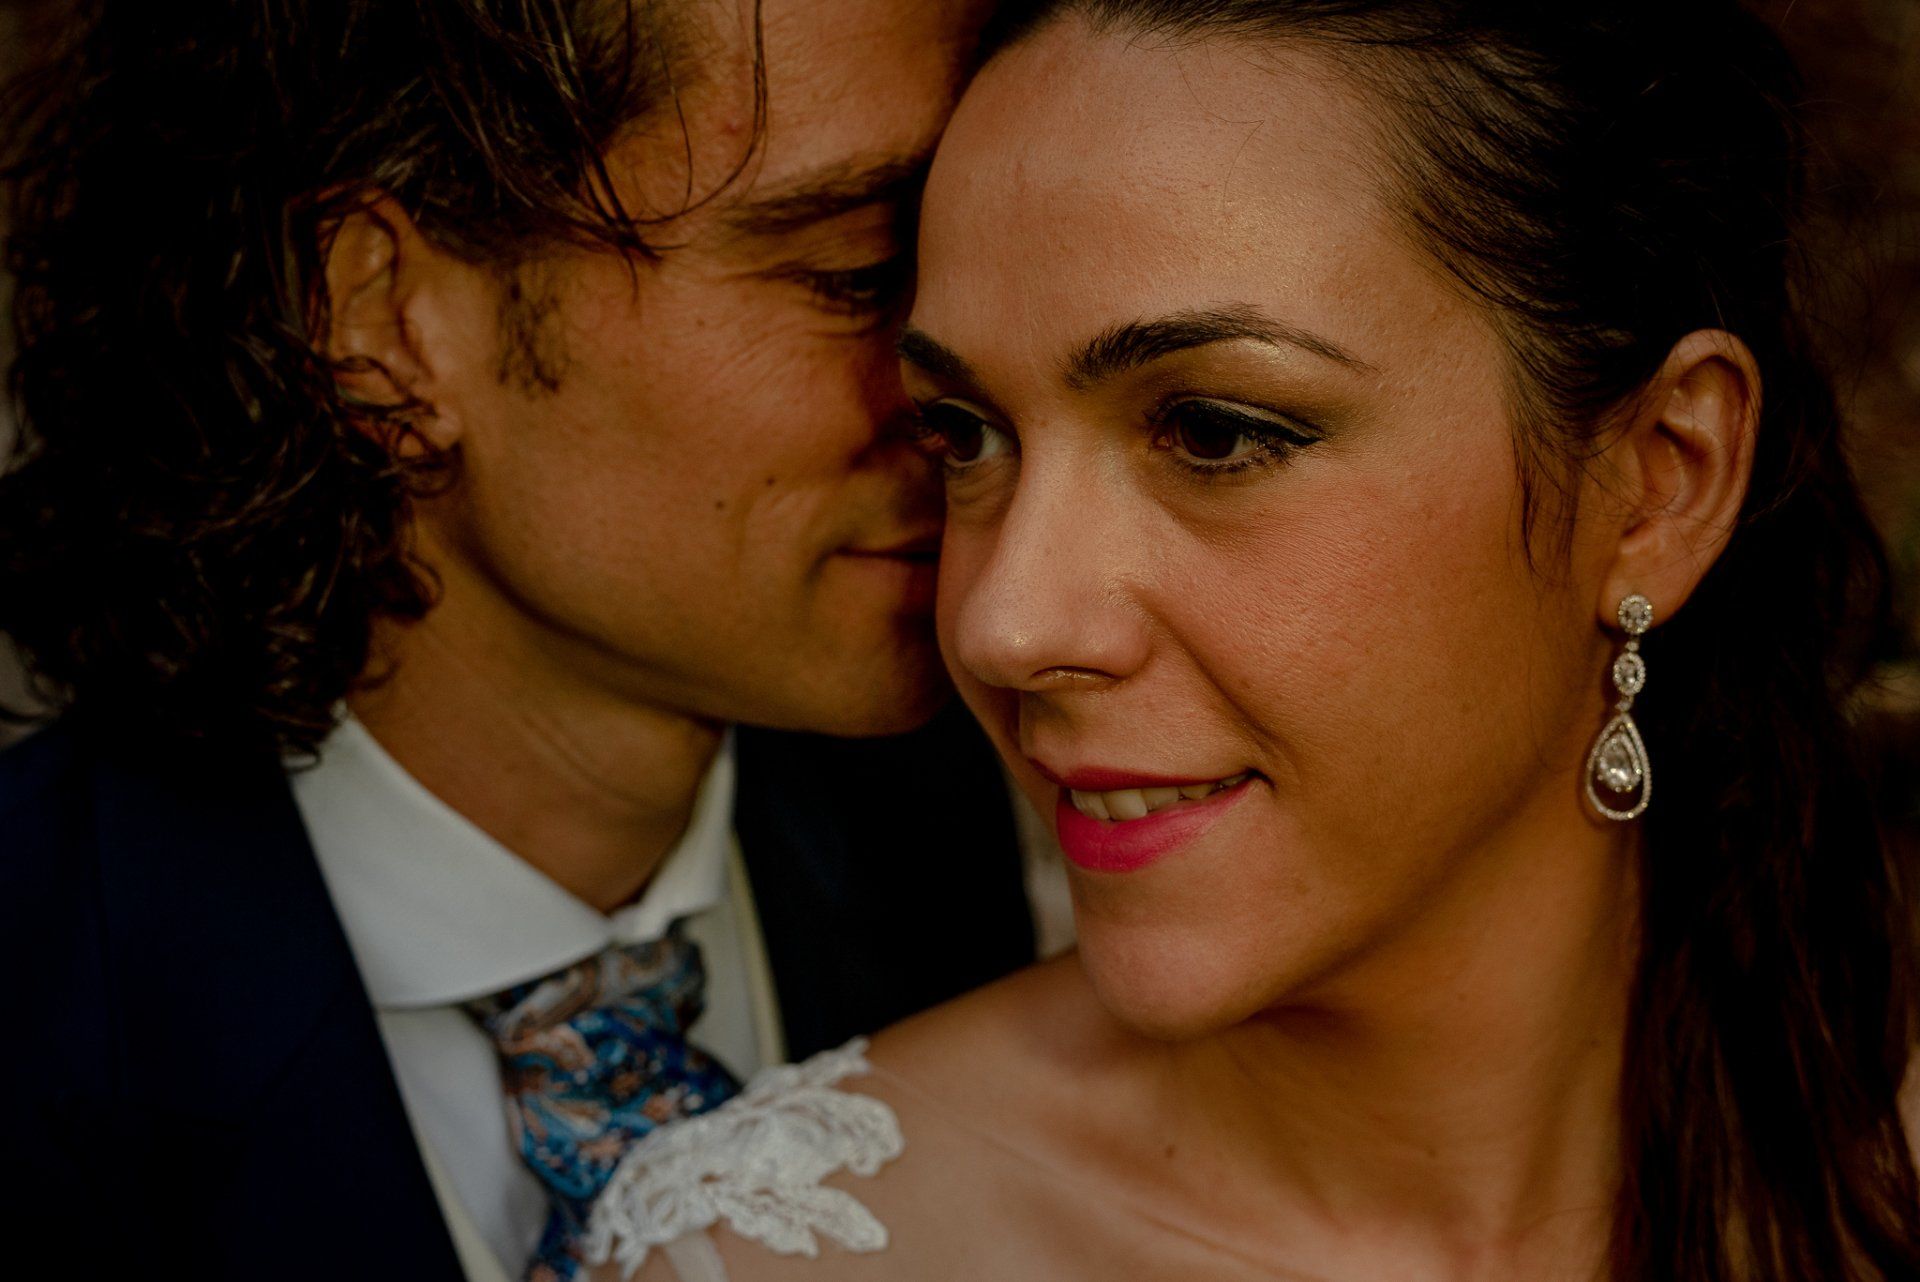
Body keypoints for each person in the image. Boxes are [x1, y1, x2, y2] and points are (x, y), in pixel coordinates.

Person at [589, 2, 1920, 1280]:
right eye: (966, 434)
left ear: (1660, 481)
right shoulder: (780, 1254)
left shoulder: (1879, 1159)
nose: (1005, 621)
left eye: (1215, 433)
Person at [0, 1, 1052, 1279]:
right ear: (385, 321)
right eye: (856, 271)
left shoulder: (967, 814)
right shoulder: (46, 1010)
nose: (961, 389)